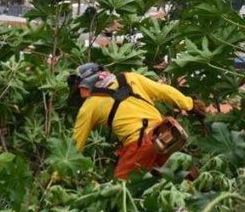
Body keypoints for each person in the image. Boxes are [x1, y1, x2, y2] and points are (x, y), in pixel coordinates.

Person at [69, 63, 206, 180]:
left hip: (139, 144)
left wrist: (57, 174)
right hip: (166, 135)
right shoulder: (129, 77)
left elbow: (74, 146)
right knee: (186, 182)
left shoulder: (89, 106)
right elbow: (164, 91)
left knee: (120, 193)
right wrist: (190, 105)